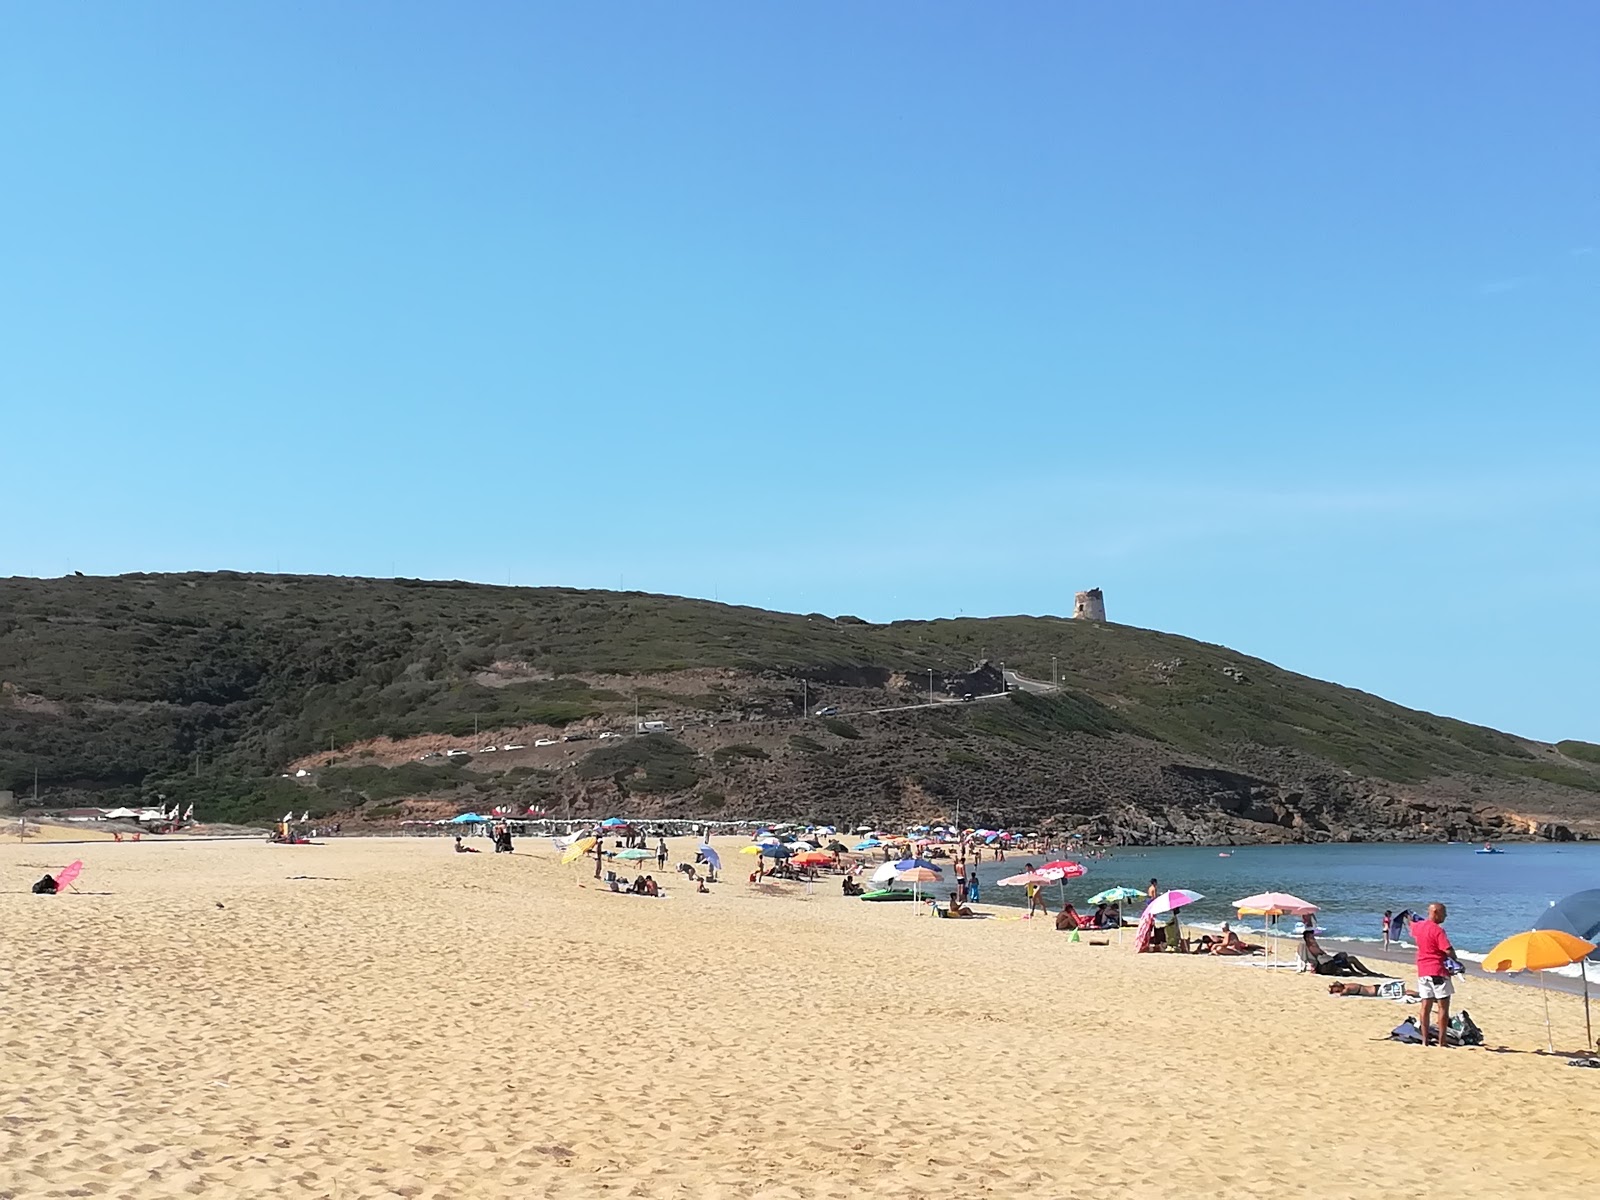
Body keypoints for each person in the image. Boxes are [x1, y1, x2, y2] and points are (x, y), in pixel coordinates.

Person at [1412, 903, 1462, 1048]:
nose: (1446, 916)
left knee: (1425, 1006)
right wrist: (1456, 960)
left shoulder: (1418, 927)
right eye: (1443, 913)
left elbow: (1412, 926)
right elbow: (1448, 950)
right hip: (1437, 971)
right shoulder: (1438, 930)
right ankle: (1442, 1041)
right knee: (1443, 1007)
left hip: (1423, 970)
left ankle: (1425, 1040)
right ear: (1435, 913)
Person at [1300, 919, 1381, 977]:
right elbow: (1313, 957)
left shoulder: (1312, 945)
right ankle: (1367, 972)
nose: (1313, 938)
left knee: (1343, 954)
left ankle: (1356, 972)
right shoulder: (1309, 947)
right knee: (1352, 959)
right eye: (1311, 937)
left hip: (1329, 962)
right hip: (1326, 966)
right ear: (1307, 938)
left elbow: (1322, 954)